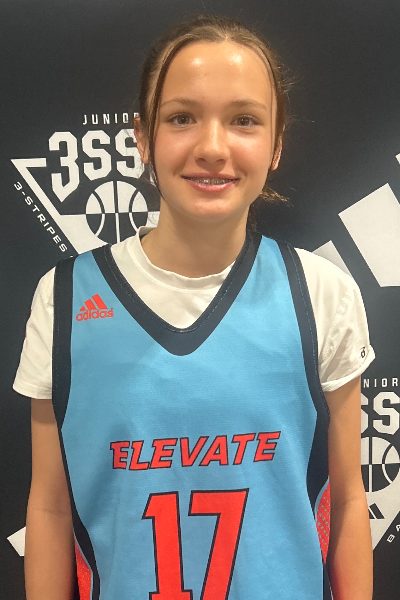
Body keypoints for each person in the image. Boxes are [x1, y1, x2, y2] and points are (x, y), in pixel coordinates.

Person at [14, 14, 374, 600]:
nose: (212, 147)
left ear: (277, 143)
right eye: (182, 118)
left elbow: (350, 501)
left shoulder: (321, 293)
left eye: (244, 120)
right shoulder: (64, 297)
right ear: (142, 137)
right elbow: (50, 508)